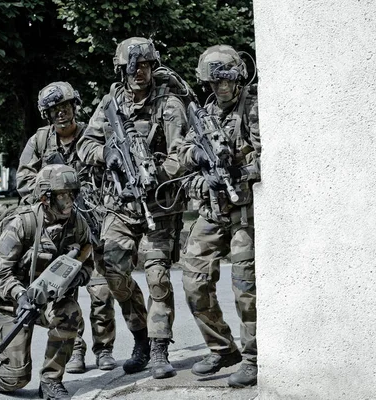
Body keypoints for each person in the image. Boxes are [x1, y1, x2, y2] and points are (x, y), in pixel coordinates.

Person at [77, 37, 188, 379]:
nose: (139, 72)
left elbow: (181, 154)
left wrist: (157, 173)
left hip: (159, 204)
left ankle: (158, 349)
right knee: (114, 274)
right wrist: (106, 155)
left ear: (154, 66)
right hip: (120, 205)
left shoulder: (169, 105)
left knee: (156, 276)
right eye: (132, 66)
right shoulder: (110, 103)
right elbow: (86, 144)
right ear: (121, 69)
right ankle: (140, 336)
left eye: (145, 65)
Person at [16, 82, 117, 374]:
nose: (61, 114)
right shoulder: (39, 142)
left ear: (75, 107)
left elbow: (113, 171)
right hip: (60, 230)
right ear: (47, 115)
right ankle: (74, 350)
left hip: (94, 221)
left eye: (66, 108)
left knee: (100, 290)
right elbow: (24, 180)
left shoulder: (93, 135)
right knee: (63, 290)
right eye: (54, 111)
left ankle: (105, 348)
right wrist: (50, 193)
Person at [178, 44, 260, 387]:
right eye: (214, 83)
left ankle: (255, 356)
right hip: (212, 210)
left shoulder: (255, 108)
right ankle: (221, 347)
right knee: (193, 279)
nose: (221, 88)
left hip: (244, 213)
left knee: (246, 287)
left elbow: (269, 155)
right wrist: (200, 163)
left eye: (226, 81)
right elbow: (181, 158)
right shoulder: (203, 114)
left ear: (239, 78)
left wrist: (240, 171)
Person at [0, 164, 93, 400]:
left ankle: (51, 381)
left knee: (69, 312)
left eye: (72, 194)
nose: (69, 201)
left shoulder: (77, 223)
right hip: (10, 304)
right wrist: (21, 296)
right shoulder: (22, 224)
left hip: (47, 301)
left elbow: (87, 264)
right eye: (62, 195)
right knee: (15, 377)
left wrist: (72, 279)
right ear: (45, 198)